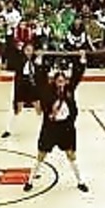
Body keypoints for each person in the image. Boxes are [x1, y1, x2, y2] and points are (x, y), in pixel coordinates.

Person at [23, 52, 89, 193]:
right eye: (58, 80)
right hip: (50, 128)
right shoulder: (47, 91)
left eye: (62, 80)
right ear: (54, 81)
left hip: (66, 128)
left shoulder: (69, 90)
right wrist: (39, 61)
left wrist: (82, 60)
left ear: (65, 81)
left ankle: (80, 181)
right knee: (41, 155)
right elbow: (40, 79)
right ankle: (30, 181)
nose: (60, 82)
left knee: (71, 155)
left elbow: (77, 76)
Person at [2, 43, 44, 138]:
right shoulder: (19, 59)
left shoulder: (36, 60)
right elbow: (14, 66)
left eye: (31, 50)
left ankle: (44, 128)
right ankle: (9, 129)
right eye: (27, 50)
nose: (29, 52)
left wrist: (39, 60)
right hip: (21, 86)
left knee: (38, 107)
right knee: (18, 109)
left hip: (32, 86)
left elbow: (40, 73)